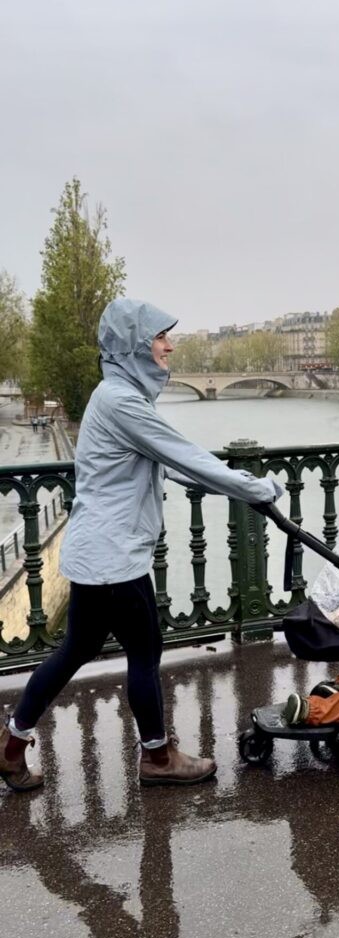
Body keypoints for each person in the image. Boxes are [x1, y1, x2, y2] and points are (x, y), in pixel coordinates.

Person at [0, 298, 283, 793]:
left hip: (95, 555)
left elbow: (163, 460)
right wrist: (257, 488)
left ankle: (10, 744)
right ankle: (156, 756)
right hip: (114, 560)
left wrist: (227, 480)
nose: (169, 345)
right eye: (159, 338)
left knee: (74, 651)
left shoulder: (113, 397)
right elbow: (184, 456)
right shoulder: (123, 402)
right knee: (145, 653)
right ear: (134, 344)